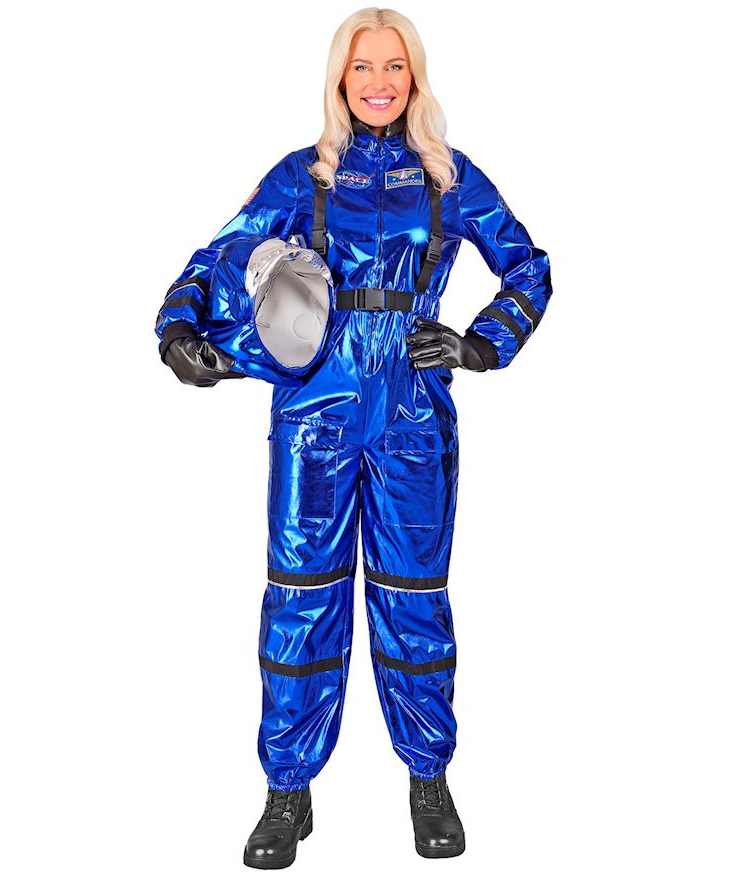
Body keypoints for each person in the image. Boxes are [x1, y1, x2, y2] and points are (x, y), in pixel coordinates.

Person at [154, 7, 552, 868]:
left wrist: (482, 344)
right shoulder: (304, 176)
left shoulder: (448, 175)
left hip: (412, 415)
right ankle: (287, 790)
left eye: (394, 67)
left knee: (414, 601)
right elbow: (219, 257)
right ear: (340, 77)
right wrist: (177, 326)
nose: (379, 82)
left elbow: (529, 264)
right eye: (363, 67)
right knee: (301, 599)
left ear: (415, 78)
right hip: (315, 414)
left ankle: (427, 778)